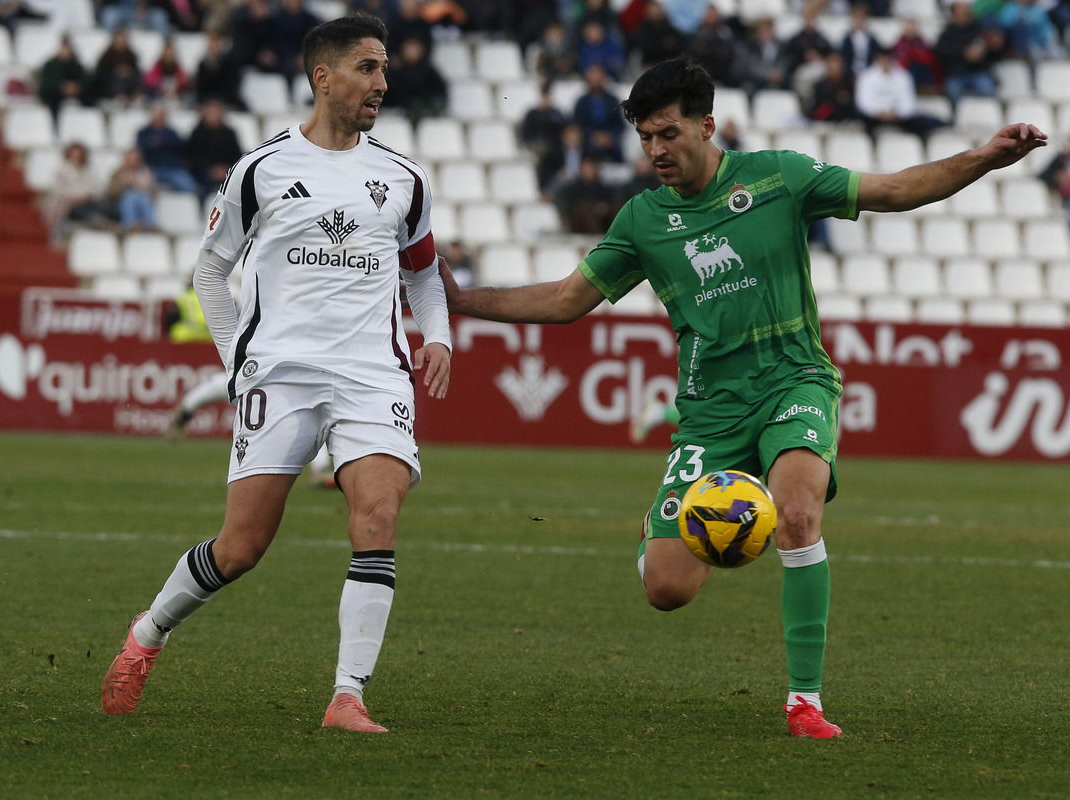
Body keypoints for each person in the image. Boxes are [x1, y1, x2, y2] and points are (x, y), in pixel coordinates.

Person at [438, 54, 1046, 739]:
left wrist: (986, 159)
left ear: (707, 124)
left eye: (668, 133)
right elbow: (562, 300)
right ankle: (655, 532)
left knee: (795, 515)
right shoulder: (643, 219)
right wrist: (461, 301)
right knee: (667, 591)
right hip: (711, 413)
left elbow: (897, 188)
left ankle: (804, 701)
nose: (656, 151)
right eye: (646, 138)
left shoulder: (777, 177)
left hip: (795, 381)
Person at [102, 15, 453, 735]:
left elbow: (424, 274)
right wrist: (237, 363)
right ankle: (149, 635)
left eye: (383, 68)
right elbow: (209, 270)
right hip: (281, 375)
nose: (382, 82)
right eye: (367, 67)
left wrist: (439, 336)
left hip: (372, 375)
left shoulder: (403, 177)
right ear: (323, 77)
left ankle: (347, 695)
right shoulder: (260, 170)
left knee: (378, 515)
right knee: (242, 548)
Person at [185, 99, 242, 200]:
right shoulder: (197, 133)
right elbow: (192, 157)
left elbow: (236, 155)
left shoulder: (229, 133)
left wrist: (226, 169)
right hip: (204, 172)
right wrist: (211, 170)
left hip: (227, 171)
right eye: (211, 113)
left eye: (217, 113)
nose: (214, 116)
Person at [137, 103, 197, 193]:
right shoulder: (144, 133)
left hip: (173, 168)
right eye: (157, 114)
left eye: (162, 115)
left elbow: (180, 147)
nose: (159, 117)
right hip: (152, 169)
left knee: (188, 186)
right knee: (141, 188)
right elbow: (142, 149)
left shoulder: (172, 133)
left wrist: (159, 144)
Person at [37, 36, 92, 120]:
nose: (65, 52)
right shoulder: (51, 65)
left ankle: (85, 120)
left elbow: (85, 79)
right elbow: (47, 82)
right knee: (53, 99)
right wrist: (62, 87)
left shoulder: (75, 65)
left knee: (89, 97)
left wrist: (76, 87)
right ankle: (54, 121)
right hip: (55, 92)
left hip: (74, 92)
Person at [106, 147, 158, 232]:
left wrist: (145, 189)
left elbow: (153, 193)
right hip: (119, 203)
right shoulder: (118, 173)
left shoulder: (146, 172)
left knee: (144, 198)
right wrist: (124, 186)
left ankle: (150, 226)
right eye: (131, 158)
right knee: (129, 196)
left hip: (142, 200)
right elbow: (111, 193)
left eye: (136, 158)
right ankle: (130, 226)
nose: (133, 161)